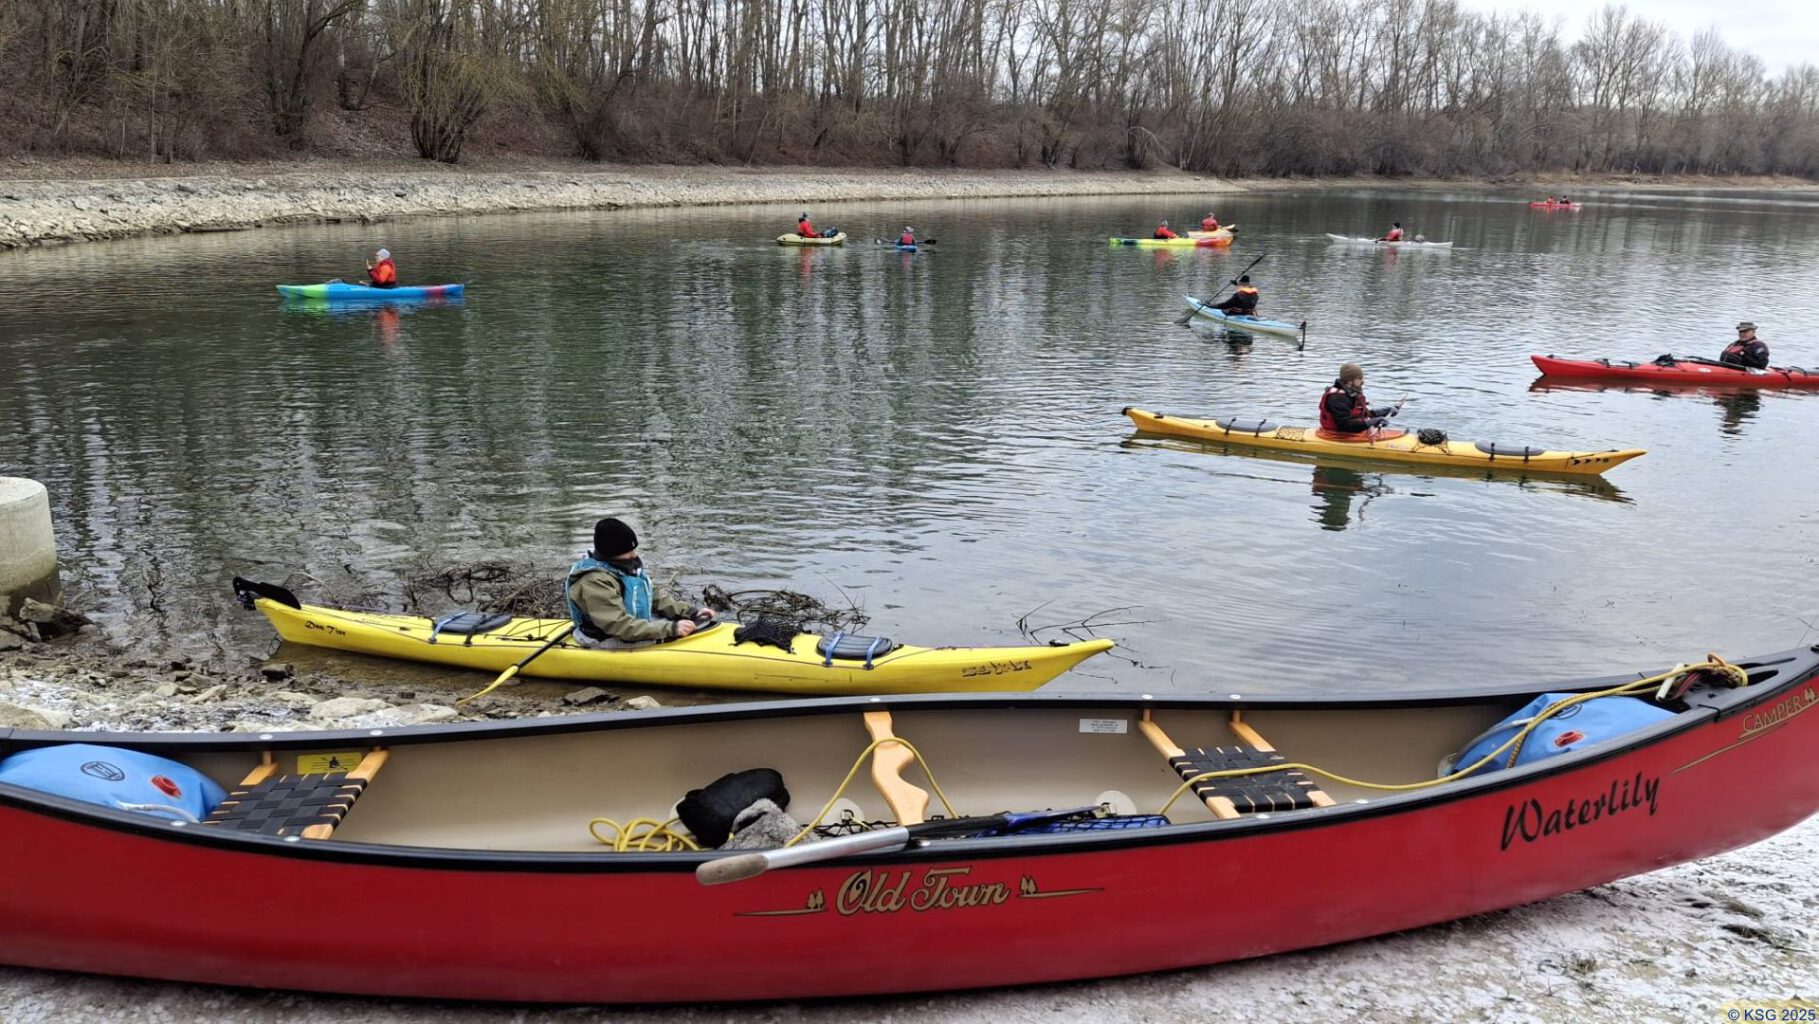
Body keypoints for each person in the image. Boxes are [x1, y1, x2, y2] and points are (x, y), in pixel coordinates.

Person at [566, 517, 715, 647]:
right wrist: (670, 629)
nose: (634, 555)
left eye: (634, 549)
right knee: (669, 632)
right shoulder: (594, 582)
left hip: (630, 629)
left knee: (679, 624)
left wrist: (689, 612)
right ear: (611, 553)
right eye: (628, 551)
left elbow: (652, 595)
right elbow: (619, 625)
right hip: (604, 637)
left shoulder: (623, 567)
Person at [1320, 363, 1404, 434]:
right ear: (1349, 382)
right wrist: (1372, 422)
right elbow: (1345, 425)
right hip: (1337, 434)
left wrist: (1385, 411)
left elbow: (1361, 414)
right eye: (1359, 379)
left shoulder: (1351, 393)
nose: (1363, 381)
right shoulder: (1337, 398)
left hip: (1351, 432)